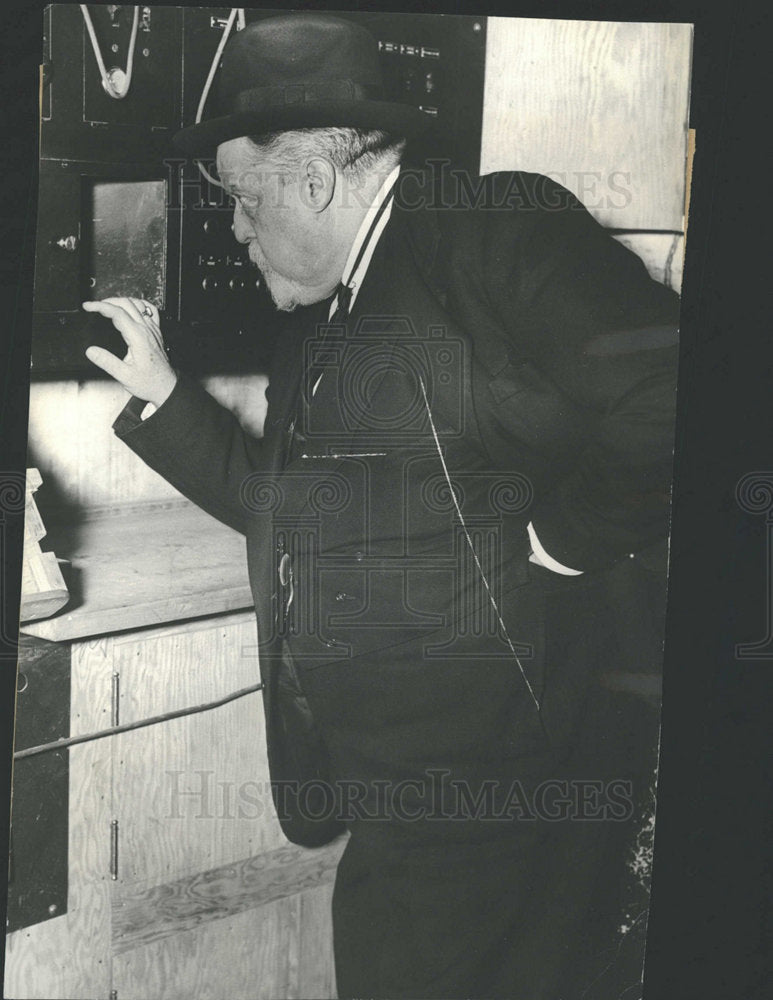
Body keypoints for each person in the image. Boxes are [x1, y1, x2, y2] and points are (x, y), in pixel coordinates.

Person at [83, 13, 680, 999]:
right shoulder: (327, 315)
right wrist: (164, 395)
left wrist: (561, 542)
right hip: (397, 789)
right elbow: (287, 510)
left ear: (314, 179)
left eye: (241, 197)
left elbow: (678, 389)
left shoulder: (492, 232)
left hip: (501, 784)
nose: (234, 225)